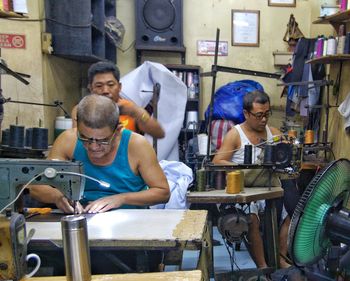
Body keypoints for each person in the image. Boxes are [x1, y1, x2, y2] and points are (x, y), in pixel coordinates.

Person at [30, 94, 170, 213]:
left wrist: (121, 198)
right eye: (85, 138)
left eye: (103, 140)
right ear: (77, 126)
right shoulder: (68, 141)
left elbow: (162, 192)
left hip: (130, 219)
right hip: (81, 217)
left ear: (118, 130)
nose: (93, 146)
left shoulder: (137, 145)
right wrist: (58, 197)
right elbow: (36, 186)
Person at [212, 90, 291, 269]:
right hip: (244, 190)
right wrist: (243, 167)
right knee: (252, 220)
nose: (264, 120)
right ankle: (263, 267)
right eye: (258, 115)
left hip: (269, 187)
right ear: (246, 114)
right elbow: (217, 161)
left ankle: (280, 258)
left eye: (267, 114)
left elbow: (285, 156)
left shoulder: (274, 133)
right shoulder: (235, 134)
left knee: (289, 217)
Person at [71, 61, 165, 139]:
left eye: (111, 85)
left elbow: (159, 134)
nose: (105, 91)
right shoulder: (81, 110)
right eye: (99, 86)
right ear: (91, 88)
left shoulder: (129, 108)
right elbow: (76, 140)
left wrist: (138, 113)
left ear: (119, 87)